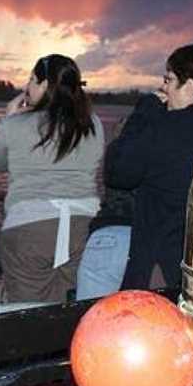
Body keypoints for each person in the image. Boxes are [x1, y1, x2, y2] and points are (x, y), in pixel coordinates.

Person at [106, 43, 193, 290]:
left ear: (190, 87)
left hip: (162, 269)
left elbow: (117, 173)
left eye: (169, 80)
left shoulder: (164, 128)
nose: (163, 88)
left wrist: (145, 111)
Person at [0, 54, 104, 303]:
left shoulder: (16, 124)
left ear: (44, 85)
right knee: (67, 314)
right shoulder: (92, 124)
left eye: (31, 79)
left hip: (29, 230)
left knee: (23, 314)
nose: (26, 87)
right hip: (82, 229)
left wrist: (9, 118)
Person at [75, 120, 134, 300]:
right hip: (145, 240)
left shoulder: (116, 155)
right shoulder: (158, 153)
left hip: (107, 235)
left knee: (93, 313)